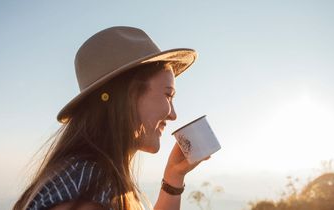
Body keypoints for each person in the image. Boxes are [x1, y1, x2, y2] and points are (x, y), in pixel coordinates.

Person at [13, 26, 209, 210]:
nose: (173, 114)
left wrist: (173, 177)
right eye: (168, 95)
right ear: (130, 96)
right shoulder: (86, 190)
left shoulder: (91, 179)